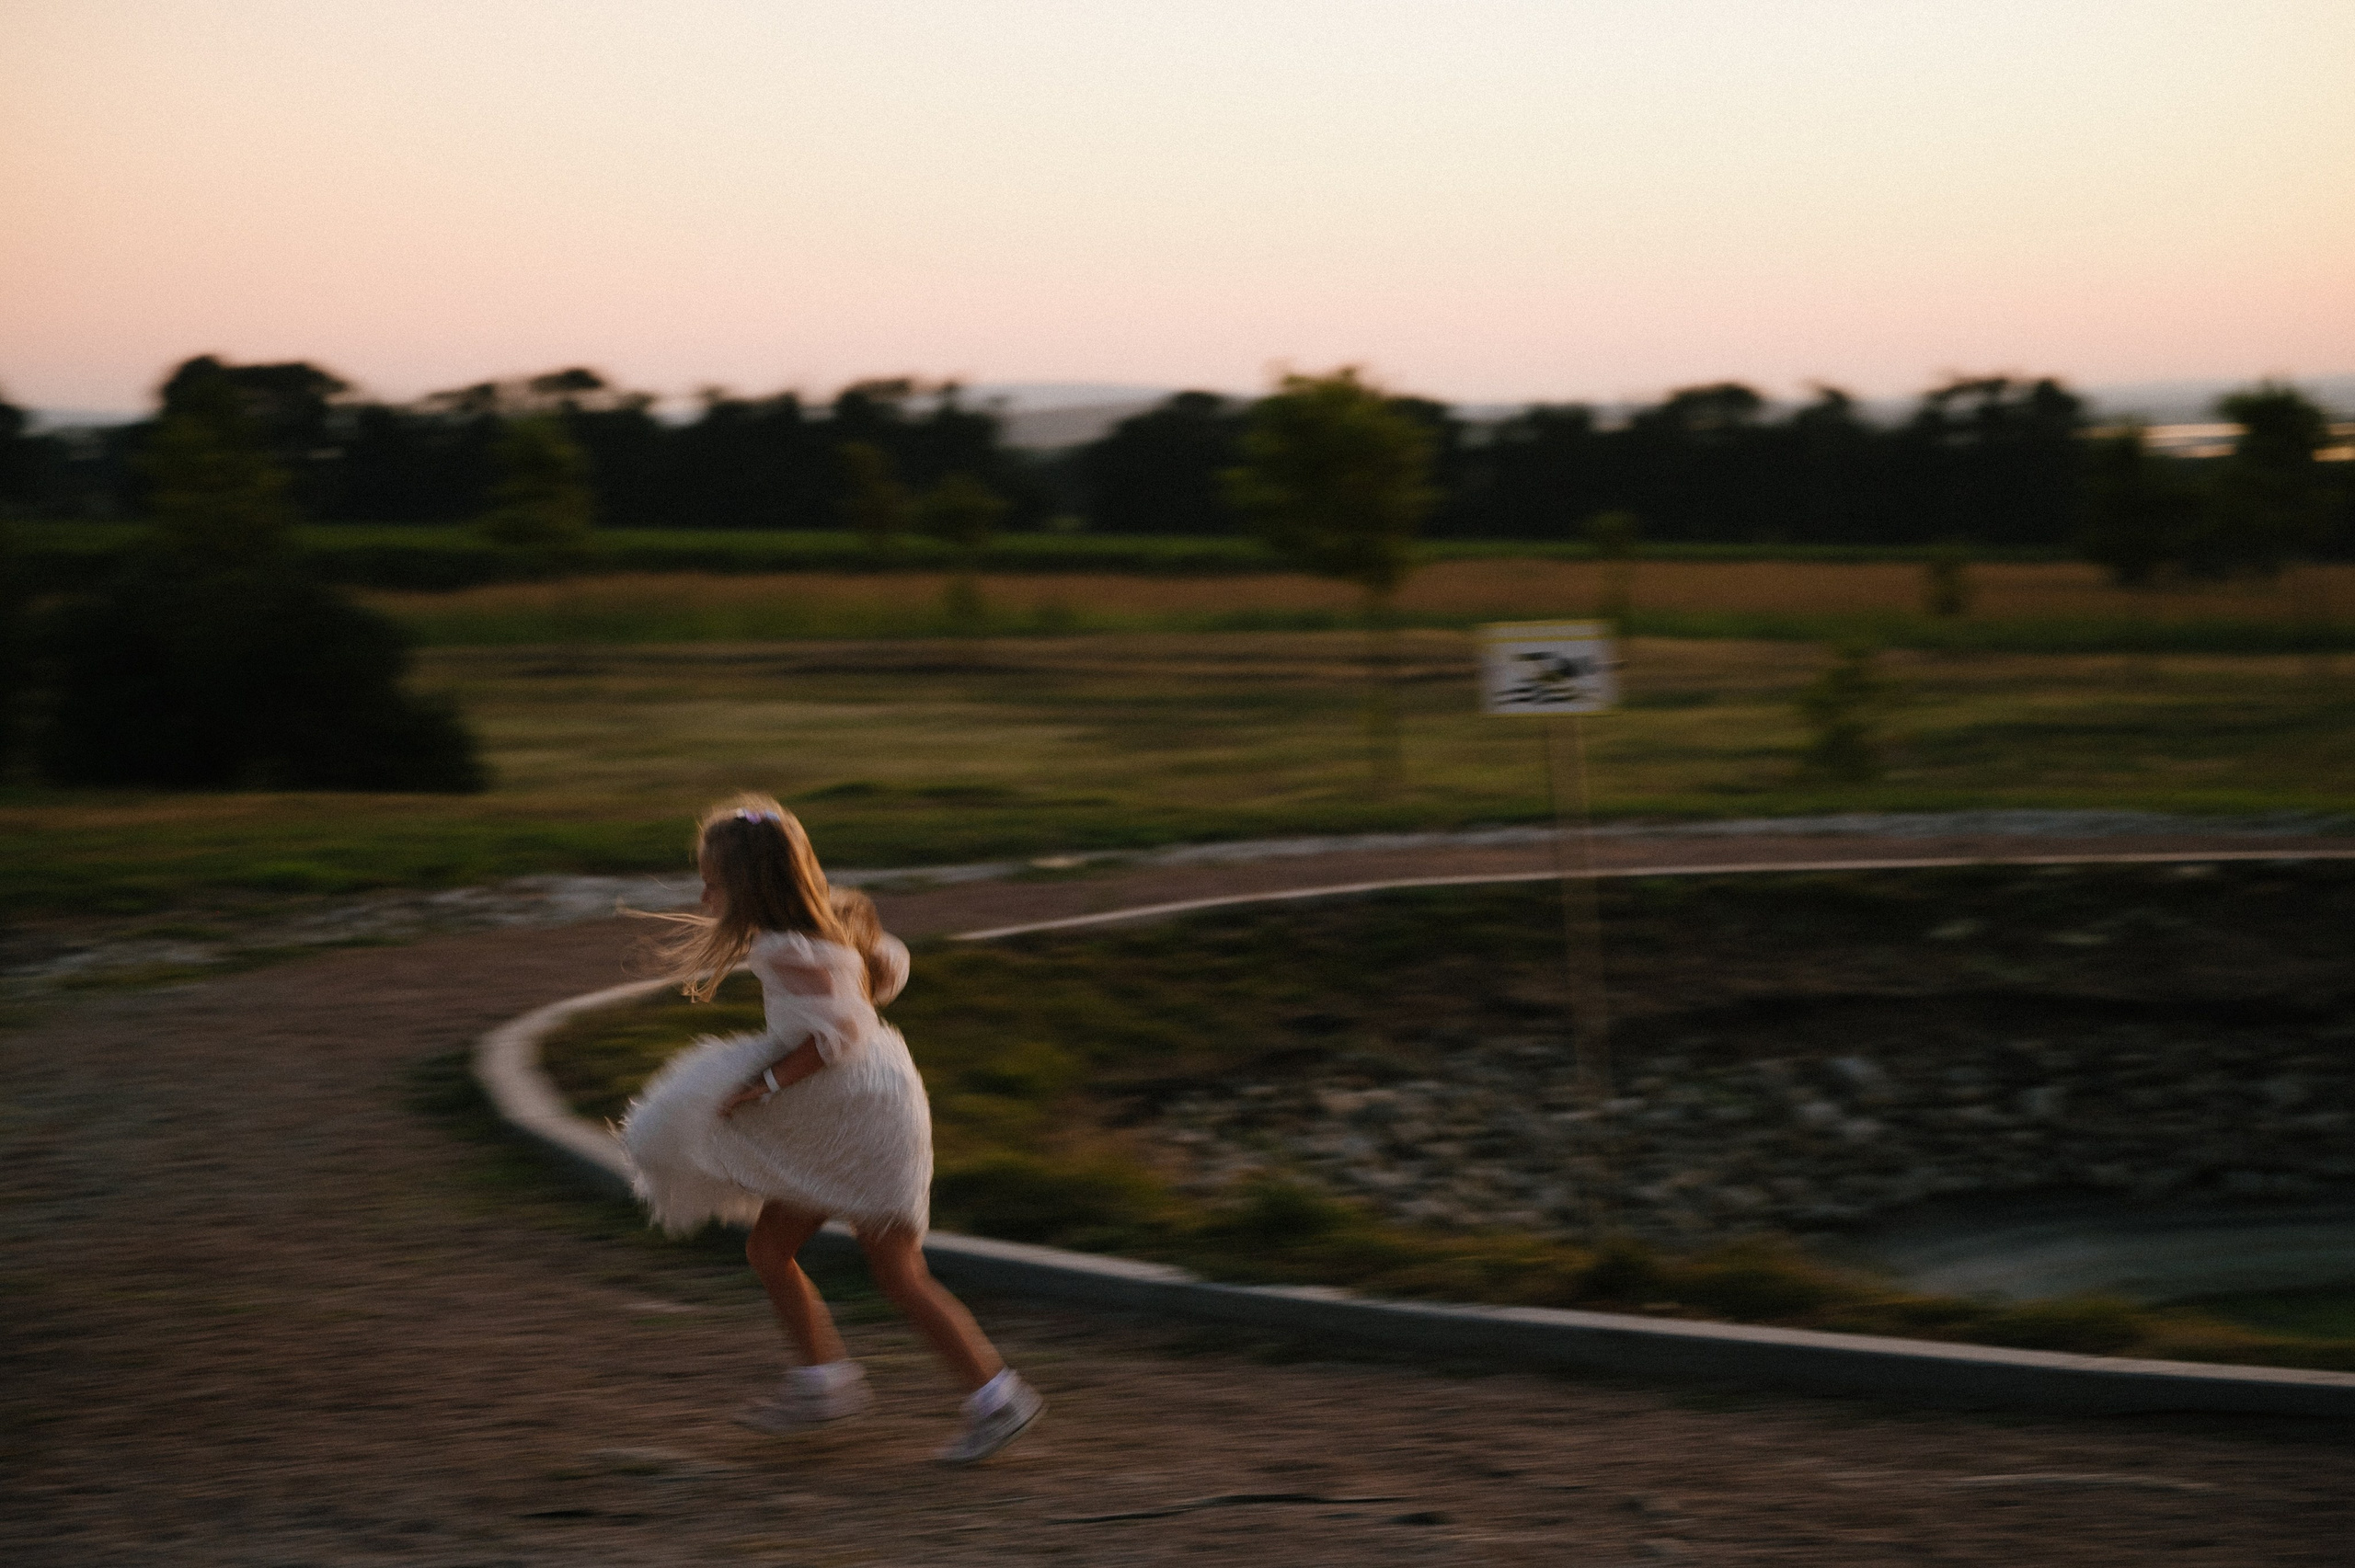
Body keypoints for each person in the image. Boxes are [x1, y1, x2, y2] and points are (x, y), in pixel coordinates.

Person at [620, 794, 1042, 1463]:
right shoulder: (819, 930)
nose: (704, 896)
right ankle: (822, 1384)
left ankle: (998, 1399)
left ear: (749, 885)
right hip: (845, 1114)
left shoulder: (788, 949)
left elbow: (838, 1033)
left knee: (897, 1273)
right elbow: (882, 978)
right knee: (770, 1250)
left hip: (863, 1117)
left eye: (713, 882)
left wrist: (763, 1085)